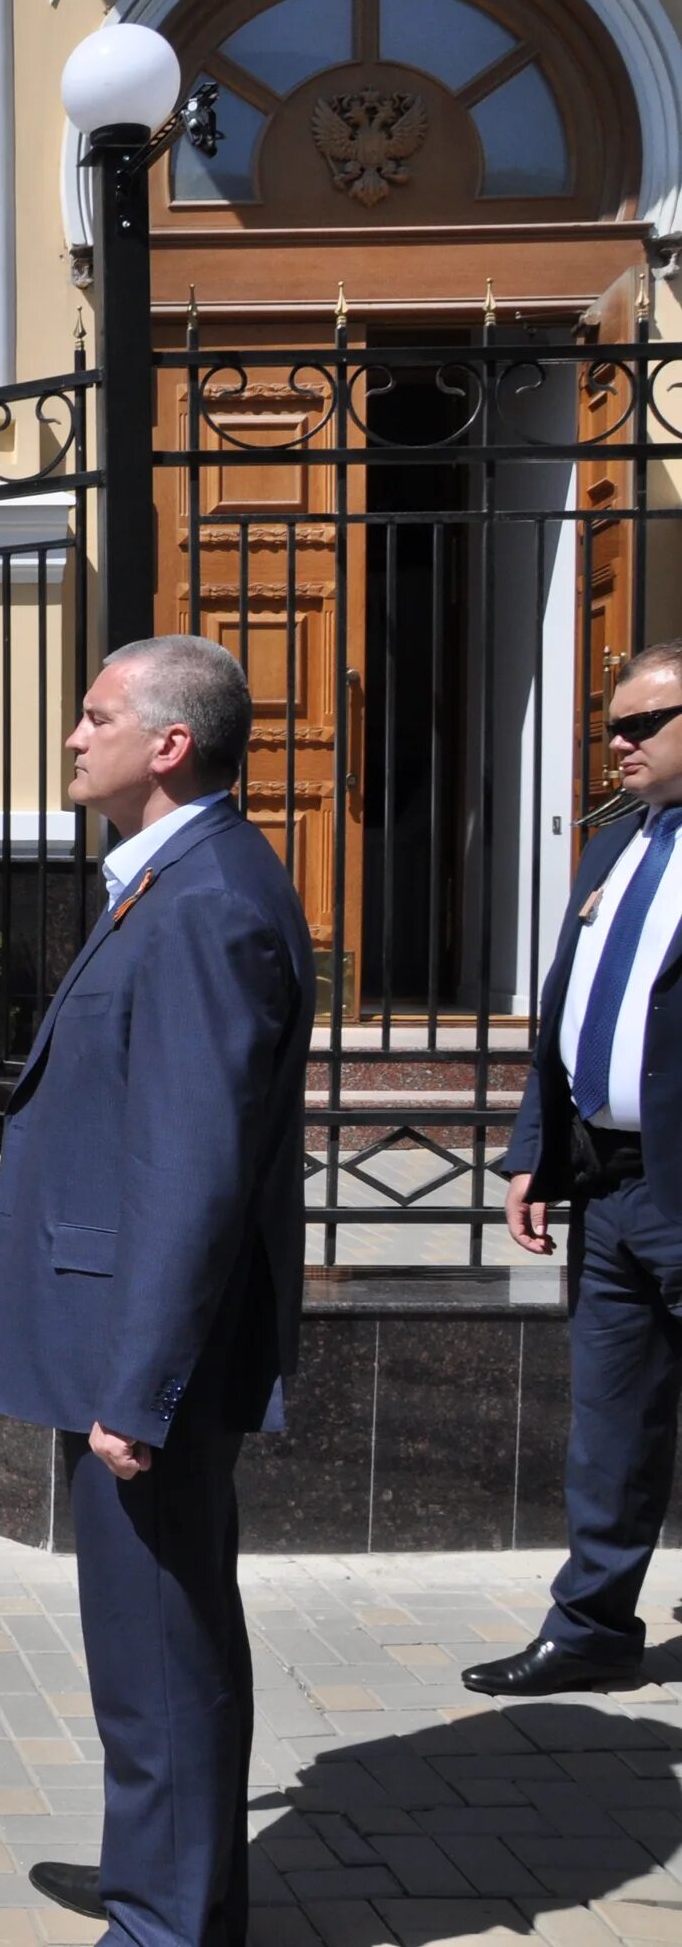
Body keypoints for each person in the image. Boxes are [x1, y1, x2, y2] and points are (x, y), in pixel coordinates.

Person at [0, 636, 311, 1945]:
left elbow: (195, 1171)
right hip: (128, 1337)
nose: (72, 733)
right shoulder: (171, 880)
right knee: (154, 1642)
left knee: (158, 1651)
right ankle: (173, 1885)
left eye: (94, 713)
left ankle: (165, 1921)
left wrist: (142, 1387)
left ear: (168, 744)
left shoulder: (208, 902)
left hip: (144, 1357)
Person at [464, 640, 682, 1700]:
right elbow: (569, 1012)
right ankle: (593, 1625)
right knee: (611, 1419)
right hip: (609, 1184)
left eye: (645, 723)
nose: (619, 742)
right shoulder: (614, 847)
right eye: (612, 724)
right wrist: (534, 1153)